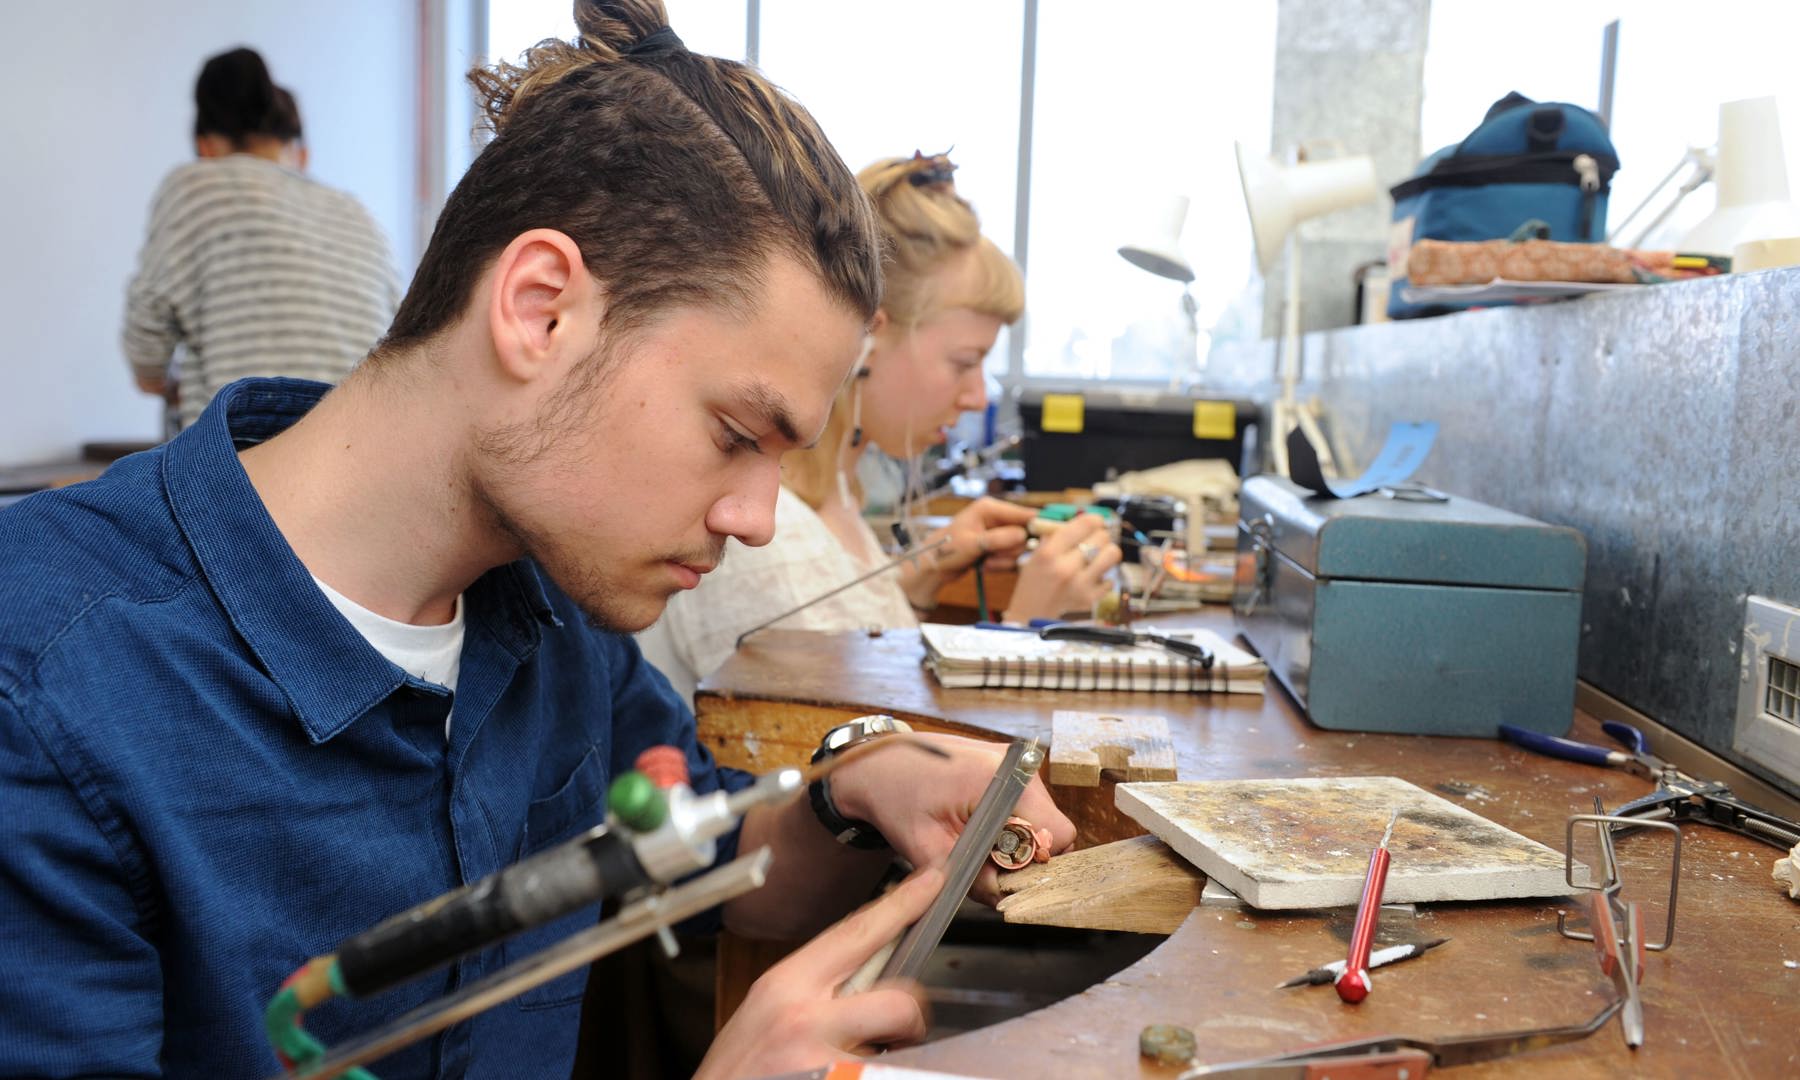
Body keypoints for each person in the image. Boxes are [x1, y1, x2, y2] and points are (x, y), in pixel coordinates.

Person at [0, 3, 1073, 1077]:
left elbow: (715, 866)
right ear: (542, 308)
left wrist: (852, 796)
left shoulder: (552, 615)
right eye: (736, 435)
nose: (756, 517)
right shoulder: (46, 696)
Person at [643, 153, 1124, 700]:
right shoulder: (764, 533)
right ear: (869, 336)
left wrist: (920, 579)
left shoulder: (837, 495)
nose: (976, 397)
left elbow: (864, 669)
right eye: (965, 362)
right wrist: (1020, 632)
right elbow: (839, 761)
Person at [123, 47, 399, 431]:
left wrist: (161, 383)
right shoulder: (358, 213)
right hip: (364, 448)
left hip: (249, 463)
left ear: (205, 146)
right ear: (300, 154)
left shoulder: (196, 186)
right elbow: (399, 335)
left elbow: (147, 348)